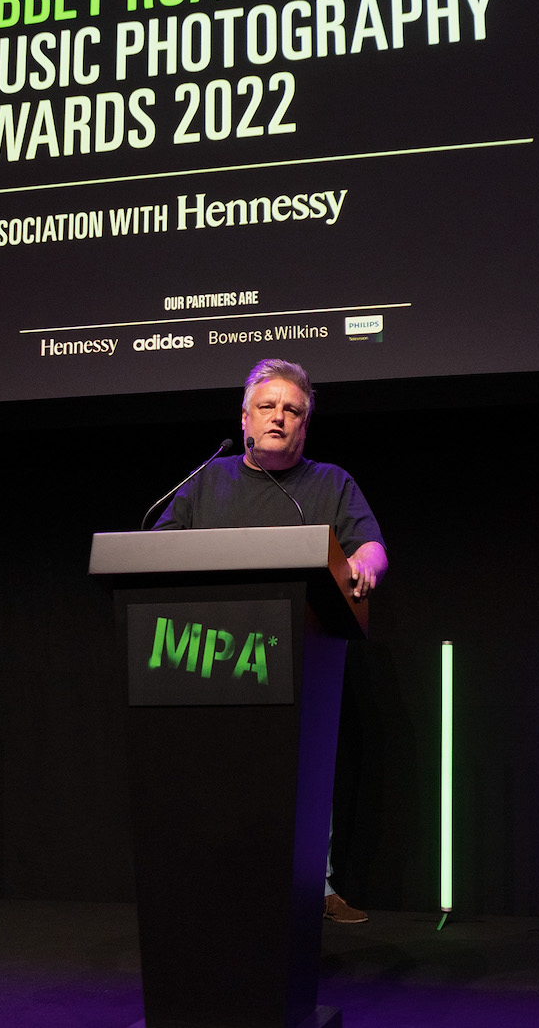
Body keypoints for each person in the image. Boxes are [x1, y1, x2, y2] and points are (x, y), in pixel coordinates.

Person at [153, 357, 386, 923]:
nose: (279, 417)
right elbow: (157, 548)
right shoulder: (207, 480)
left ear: (305, 424)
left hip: (302, 657)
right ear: (245, 417)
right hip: (207, 658)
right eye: (267, 406)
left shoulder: (331, 483)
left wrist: (363, 563)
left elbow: (371, 547)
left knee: (305, 772)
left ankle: (315, 887)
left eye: (292, 410)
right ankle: (209, 885)